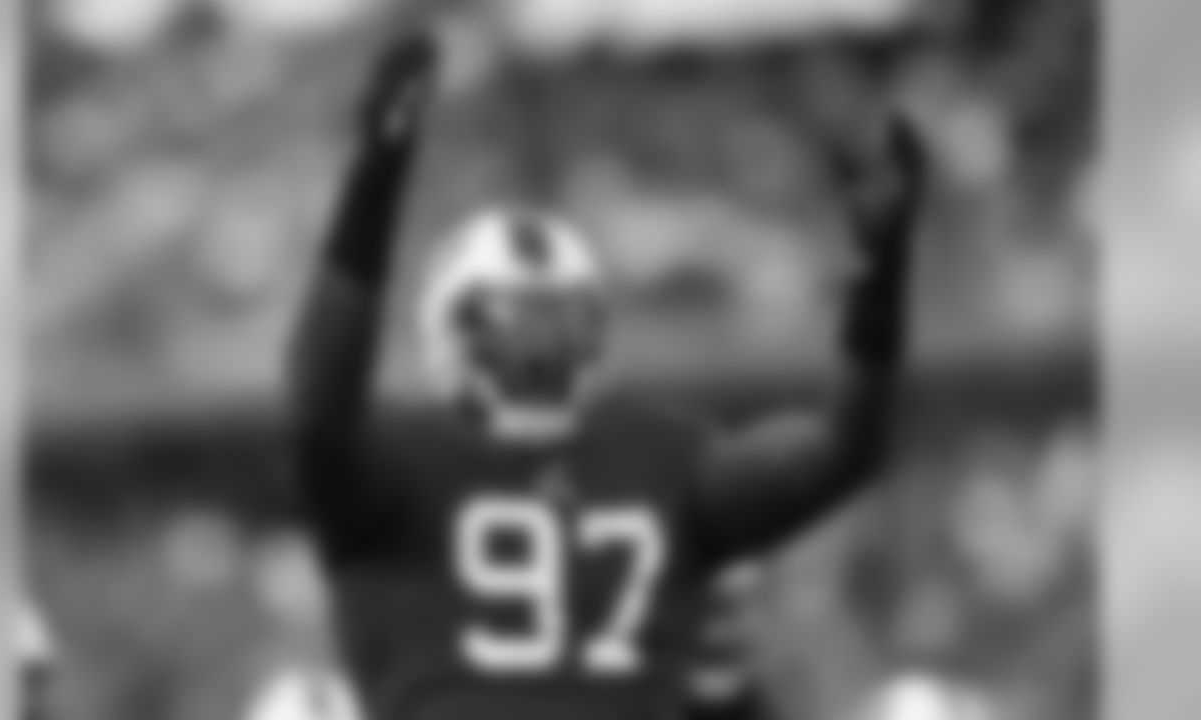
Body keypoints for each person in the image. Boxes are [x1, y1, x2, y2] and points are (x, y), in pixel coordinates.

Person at [289, 30, 925, 720]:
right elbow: (845, 448)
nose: (534, 353)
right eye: (511, 331)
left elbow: (318, 400)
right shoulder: (664, 457)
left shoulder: (402, 459)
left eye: (554, 326)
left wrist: (376, 174)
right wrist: (880, 281)